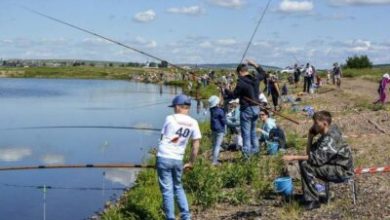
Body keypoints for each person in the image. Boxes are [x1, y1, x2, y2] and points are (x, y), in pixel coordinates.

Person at [283, 111, 353, 210]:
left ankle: (313, 200)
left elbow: (315, 159)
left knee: (305, 164)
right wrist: (310, 136)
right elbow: (310, 153)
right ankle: (308, 196)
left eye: (316, 123)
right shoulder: (325, 133)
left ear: (324, 124)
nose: (314, 126)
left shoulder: (330, 138)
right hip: (334, 165)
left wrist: (293, 157)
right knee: (304, 162)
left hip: (342, 171)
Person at [157, 94, 202, 220]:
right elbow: (196, 145)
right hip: (178, 159)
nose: (173, 109)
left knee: (167, 190)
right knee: (178, 186)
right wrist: (191, 162)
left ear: (177, 107)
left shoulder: (169, 119)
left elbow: (162, 138)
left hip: (164, 156)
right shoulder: (194, 123)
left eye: (174, 107)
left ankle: (170, 218)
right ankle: (186, 217)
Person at [234, 59, 266, 158]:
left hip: (246, 110)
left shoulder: (241, 82)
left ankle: (247, 156)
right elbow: (263, 73)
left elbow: (234, 95)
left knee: (246, 134)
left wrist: (225, 91)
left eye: (238, 74)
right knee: (252, 132)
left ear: (240, 72)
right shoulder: (255, 79)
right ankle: (255, 152)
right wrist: (254, 64)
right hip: (256, 108)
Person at [208, 95, 226, 165]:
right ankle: (214, 161)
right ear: (216, 103)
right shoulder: (220, 111)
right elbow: (223, 121)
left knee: (214, 144)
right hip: (219, 130)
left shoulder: (211, 110)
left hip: (213, 129)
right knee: (218, 145)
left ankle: (214, 157)